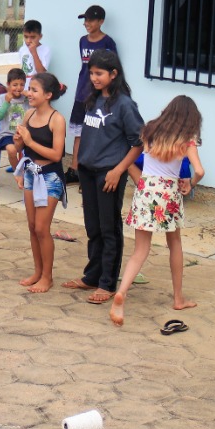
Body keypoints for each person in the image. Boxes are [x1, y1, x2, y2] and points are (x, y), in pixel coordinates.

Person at [109, 95, 203, 325]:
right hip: (168, 194)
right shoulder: (187, 139)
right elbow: (199, 170)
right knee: (175, 244)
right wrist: (190, 183)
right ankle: (178, 298)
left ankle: (122, 292)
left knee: (140, 249)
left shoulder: (150, 130)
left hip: (145, 189)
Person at [61, 50, 143, 305]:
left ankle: (107, 283)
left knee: (109, 229)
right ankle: (92, 276)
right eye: (92, 73)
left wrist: (118, 171)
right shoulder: (92, 99)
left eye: (99, 73)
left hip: (109, 174)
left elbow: (138, 143)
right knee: (92, 227)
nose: (94, 78)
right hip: (88, 171)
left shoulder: (125, 105)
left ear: (113, 74)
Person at [14, 73, 68, 294]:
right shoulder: (28, 115)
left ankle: (48, 276)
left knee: (41, 228)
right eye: (29, 88)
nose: (29, 93)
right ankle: (37, 271)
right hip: (30, 172)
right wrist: (18, 142)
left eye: (34, 90)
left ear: (48, 95)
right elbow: (20, 149)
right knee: (31, 226)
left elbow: (57, 155)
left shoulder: (57, 119)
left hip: (50, 176)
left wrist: (29, 140)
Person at [68, 5, 117, 184]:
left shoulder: (107, 43)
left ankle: (91, 172)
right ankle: (74, 170)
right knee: (78, 132)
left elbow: (113, 68)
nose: (87, 24)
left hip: (98, 96)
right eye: (85, 20)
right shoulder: (82, 40)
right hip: (82, 92)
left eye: (91, 20)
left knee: (95, 131)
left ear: (101, 21)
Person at [0, 68, 29, 172]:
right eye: (15, 85)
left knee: (35, 147)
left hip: (24, 134)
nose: (19, 88)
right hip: (7, 135)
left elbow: (35, 113)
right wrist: (6, 103)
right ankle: (19, 173)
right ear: (8, 85)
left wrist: (31, 97)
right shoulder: (2, 98)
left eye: (22, 84)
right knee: (11, 150)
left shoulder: (26, 99)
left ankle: (29, 171)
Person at [17, 19, 52, 88]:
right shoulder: (22, 49)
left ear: (40, 36)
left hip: (37, 86)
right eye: (26, 37)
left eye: (33, 37)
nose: (28, 41)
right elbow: (23, 68)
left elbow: (41, 72)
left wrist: (34, 53)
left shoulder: (45, 50)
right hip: (24, 85)